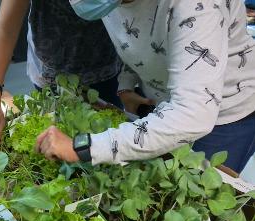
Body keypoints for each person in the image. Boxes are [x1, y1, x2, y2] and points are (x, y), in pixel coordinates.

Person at [36, 0, 255, 173]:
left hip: (223, 116)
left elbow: (192, 113)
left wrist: (85, 147)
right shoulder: (110, 3)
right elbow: (139, 37)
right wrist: (126, 85)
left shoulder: (196, 6)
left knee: (200, 206)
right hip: (168, 105)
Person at [0, 0, 122, 152]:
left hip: (103, 69)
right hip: (50, 69)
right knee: (51, 139)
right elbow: (6, 29)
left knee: (109, 140)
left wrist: (128, 83)